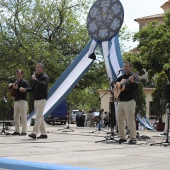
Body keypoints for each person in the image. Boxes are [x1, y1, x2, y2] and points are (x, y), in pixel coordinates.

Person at [20, 63, 49, 139]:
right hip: (36, 99)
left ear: (42, 68)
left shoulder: (45, 77)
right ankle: (44, 134)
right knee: (40, 116)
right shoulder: (36, 78)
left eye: (38, 67)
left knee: (38, 116)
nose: (36, 69)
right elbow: (33, 88)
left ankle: (34, 133)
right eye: (36, 67)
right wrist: (25, 90)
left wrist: (35, 79)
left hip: (42, 99)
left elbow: (42, 85)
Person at [115, 61, 138, 144]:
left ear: (130, 67)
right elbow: (115, 83)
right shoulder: (121, 77)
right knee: (120, 119)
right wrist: (117, 86)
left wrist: (133, 82)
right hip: (121, 100)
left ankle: (133, 138)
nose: (125, 68)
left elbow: (137, 86)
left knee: (130, 119)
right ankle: (123, 137)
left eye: (127, 66)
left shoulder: (133, 76)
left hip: (130, 100)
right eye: (124, 66)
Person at [9, 69, 28, 136]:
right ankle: (17, 131)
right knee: (16, 116)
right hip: (16, 100)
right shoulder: (15, 82)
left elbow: (25, 90)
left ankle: (24, 131)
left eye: (19, 74)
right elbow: (13, 91)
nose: (18, 75)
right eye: (17, 74)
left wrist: (17, 88)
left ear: (22, 74)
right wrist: (11, 87)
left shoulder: (24, 82)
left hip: (22, 100)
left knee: (23, 116)